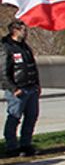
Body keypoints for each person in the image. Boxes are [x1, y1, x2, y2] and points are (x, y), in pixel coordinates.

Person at [2, 21, 40, 157]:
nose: (26, 32)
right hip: (18, 90)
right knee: (14, 118)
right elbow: (3, 72)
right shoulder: (6, 47)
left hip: (31, 88)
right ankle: (11, 147)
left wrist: (37, 85)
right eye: (24, 30)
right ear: (15, 30)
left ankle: (26, 144)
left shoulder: (25, 47)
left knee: (31, 117)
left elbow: (33, 67)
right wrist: (13, 88)